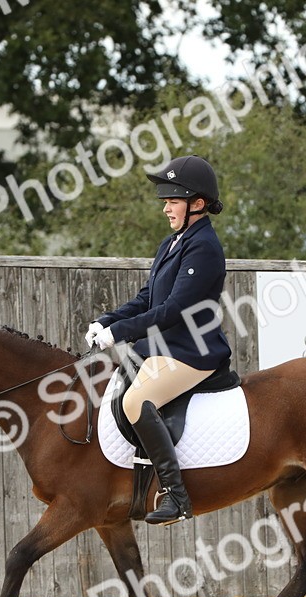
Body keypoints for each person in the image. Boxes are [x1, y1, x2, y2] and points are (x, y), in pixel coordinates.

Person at [84, 155, 232, 525]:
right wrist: (106, 320)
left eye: (173, 201)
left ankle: (177, 497)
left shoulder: (204, 247)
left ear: (197, 204)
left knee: (137, 400)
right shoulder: (172, 243)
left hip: (193, 351)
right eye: (165, 201)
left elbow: (176, 308)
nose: (166, 207)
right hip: (164, 349)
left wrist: (119, 334)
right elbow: (147, 299)